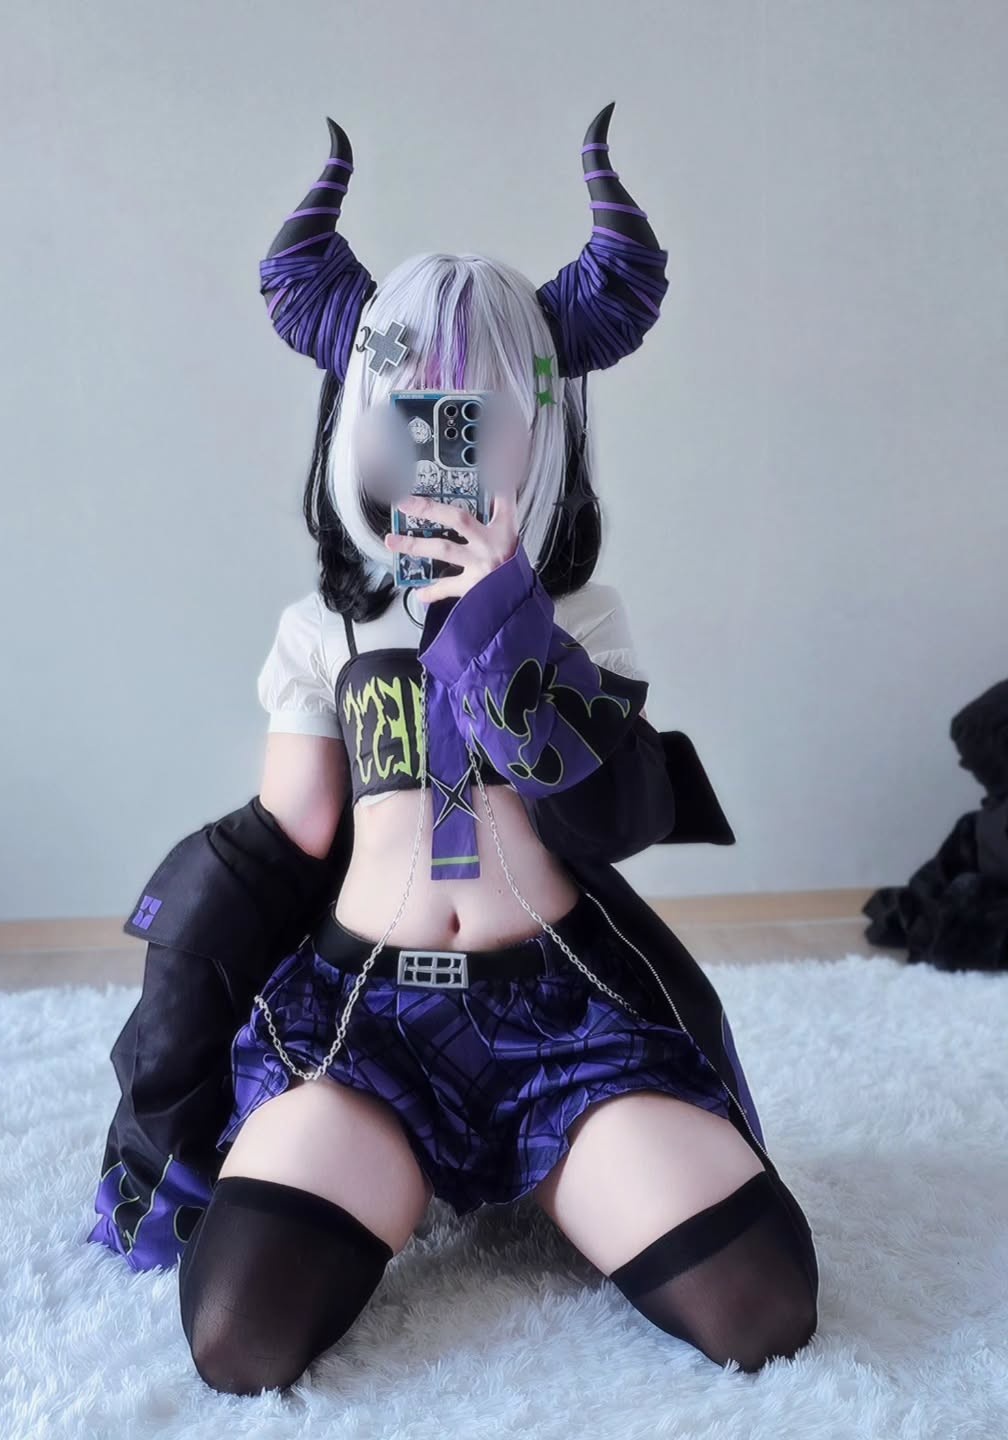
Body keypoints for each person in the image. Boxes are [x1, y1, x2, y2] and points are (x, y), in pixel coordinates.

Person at [88, 107, 820, 1393]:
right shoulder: (323, 628)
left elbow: (599, 821)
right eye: (416, 408)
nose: (445, 437)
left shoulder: (584, 618)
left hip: (564, 1018)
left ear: (539, 425)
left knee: (762, 1304)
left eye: (479, 412)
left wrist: (505, 620)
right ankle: (405, 1171)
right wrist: (178, 1003)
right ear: (364, 417)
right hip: (365, 1019)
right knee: (239, 1333)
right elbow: (289, 834)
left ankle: (553, 1171)